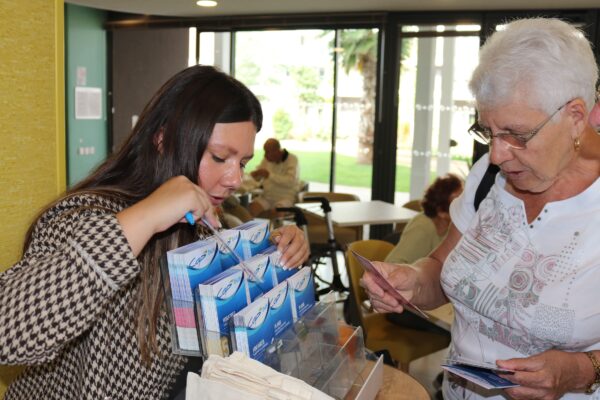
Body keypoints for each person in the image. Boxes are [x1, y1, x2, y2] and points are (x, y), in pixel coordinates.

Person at [0, 65, 309, 399]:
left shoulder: (200, 227)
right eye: (220, 157)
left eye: (243, 163)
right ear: (163, 140)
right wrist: (145, 217)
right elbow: (8, 333)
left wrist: (275, 252)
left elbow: (231, 319)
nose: (235, 179)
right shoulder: (82, 217)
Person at [361, 18, 600, 400]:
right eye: (488, 131)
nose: (497, 153)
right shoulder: (487, 176)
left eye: (517, 135)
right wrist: (411, 278)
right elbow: (442, 267)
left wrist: (581, 370)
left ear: (575, 117)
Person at [385, 173, 463, 264]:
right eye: (458, 202)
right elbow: (393, 263)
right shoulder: (422, 228)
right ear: (441, 212)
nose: (465, 205)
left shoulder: (452, 226)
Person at [247, 138, 300, 217]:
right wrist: (255, 174)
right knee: (249, 210)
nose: (265, 155)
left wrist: (269, 175)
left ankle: (272, 227)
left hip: (285, 198)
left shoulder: (292, 159)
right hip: (267, 197)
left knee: (277, 213)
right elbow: (258, 176)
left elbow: (290, 181)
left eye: (267, 152)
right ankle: (255, 228)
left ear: (277, 151)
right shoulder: (267, 160)